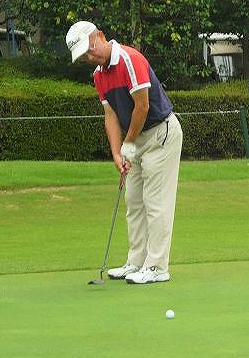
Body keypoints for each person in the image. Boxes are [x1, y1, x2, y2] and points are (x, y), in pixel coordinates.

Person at [65, 21, 183, 285]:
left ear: (100, 36)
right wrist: (117, 153)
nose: (89, 56)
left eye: (90, 48)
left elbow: (142, 107)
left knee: (155, 202)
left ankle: (157, 266)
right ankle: (136, 261)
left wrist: (127, 145)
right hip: (136, 138)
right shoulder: (99, 76)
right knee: (134, 200)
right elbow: (110, 115)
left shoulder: (130, 59)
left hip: (160, 133)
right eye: (84, 55)